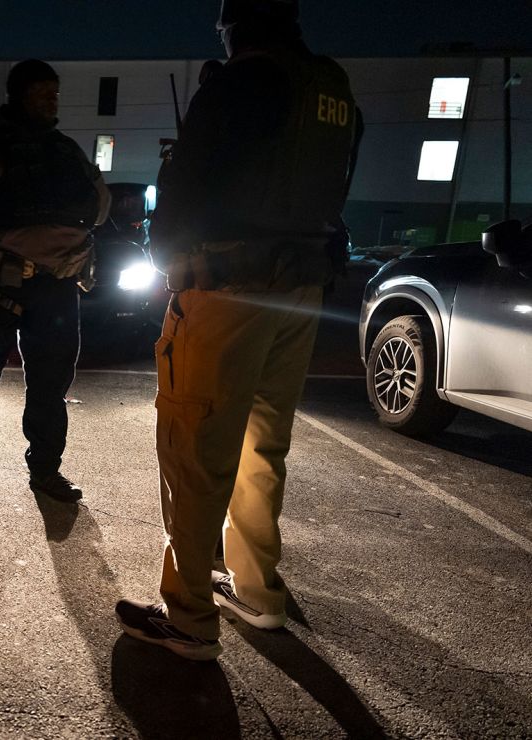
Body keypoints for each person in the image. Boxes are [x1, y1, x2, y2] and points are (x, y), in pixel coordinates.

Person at [115, 0, 363, 661]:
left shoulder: (239, 82)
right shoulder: (330, 86)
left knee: (195, 448)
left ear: (233, 25)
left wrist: (170, 263)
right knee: (263, 444)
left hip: (229, 286)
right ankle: (257, 591)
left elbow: (189, 186)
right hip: (301, 289)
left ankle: (190, 615)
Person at [0, 59, 110, 520]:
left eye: (54, 92)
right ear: (16, 95)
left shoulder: (66, 149)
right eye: (40, 92)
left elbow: (98, 207)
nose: (51, 100)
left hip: (56, 286)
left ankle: (46, 469)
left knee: (52, 385)